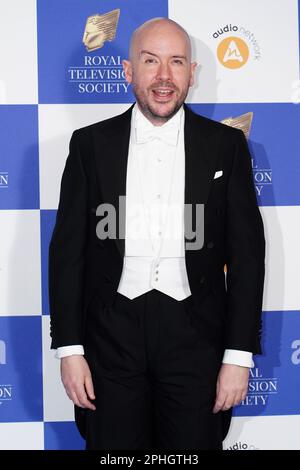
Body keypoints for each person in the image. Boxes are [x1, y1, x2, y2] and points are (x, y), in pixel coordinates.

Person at [48, 17, 265, 450]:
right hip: (109, 341)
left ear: (192, 73)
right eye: (151, 61)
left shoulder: (227, 146)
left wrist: (238, 356)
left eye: (177, 62)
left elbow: (248, 256)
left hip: (196, 340)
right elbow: (67, 253)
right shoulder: (89, 144)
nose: (164, 77)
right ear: (128, 71)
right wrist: (70, 350)